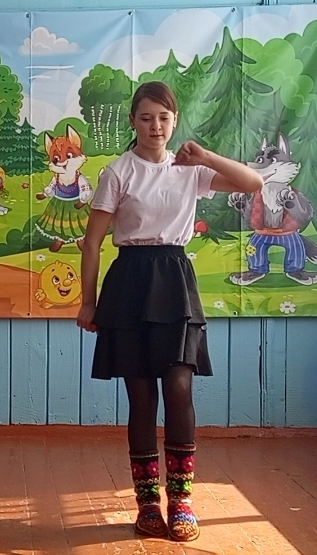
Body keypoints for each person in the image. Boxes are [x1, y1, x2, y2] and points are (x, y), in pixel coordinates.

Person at [76, 81, 262, 542]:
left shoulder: (190, 170)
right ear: (133, 122)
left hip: (176, 282)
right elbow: (93, 243)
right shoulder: (117, 172)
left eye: (163, 118)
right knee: (141, 399)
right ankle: (147, 505)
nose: (155, 126)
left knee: (179, 388)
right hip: (130, 285)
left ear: (174, 120)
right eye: (145, 118)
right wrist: (88, 301)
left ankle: (181, 501)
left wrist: (206, 157)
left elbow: (253, 183)